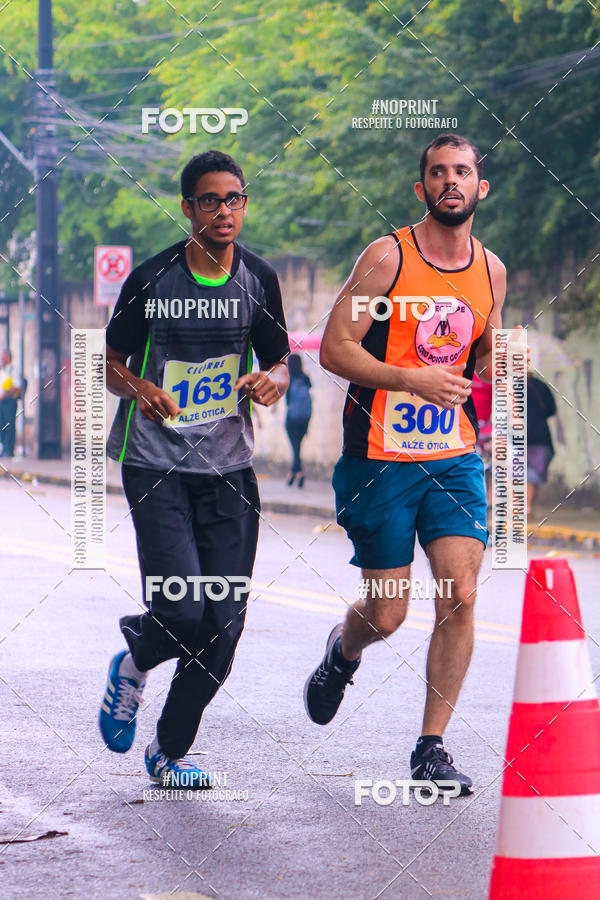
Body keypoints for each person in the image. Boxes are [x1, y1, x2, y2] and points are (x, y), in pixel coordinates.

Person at [304, 134, 507, 794]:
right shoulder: (387, 257)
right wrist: (410, 379)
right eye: (438, 172)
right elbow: (336, 348)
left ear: (481, 189)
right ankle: (344, 650)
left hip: (452, 458)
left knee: (461, 593)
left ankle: (430, 748)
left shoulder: (491, 271)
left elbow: (481, 356)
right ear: (422, 189)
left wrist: (495, 371)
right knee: (388, 613)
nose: (451, 181)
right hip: (379, 460)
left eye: (463, 171)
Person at [99, 150, 290, 786]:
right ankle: (134, 661)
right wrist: (141, 389)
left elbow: (280, 360)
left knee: (224, 627)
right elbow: (110, 364)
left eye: (235, 198)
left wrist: (271, 381)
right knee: (184, 610)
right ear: (187, 209)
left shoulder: (259, 279)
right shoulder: (152, 280)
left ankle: (168, 753)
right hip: (154, 464)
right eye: (210, 200)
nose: (224, 211)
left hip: (228, 469)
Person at [526, 372, 556, 515]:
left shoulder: (510, 387)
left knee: (516, 475)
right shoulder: (541, 386)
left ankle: (522, 508)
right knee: (533, 474)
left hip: (518, 436)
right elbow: (551, 410)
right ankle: (527, 507)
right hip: (540, 436)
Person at [284, 353, 312, 487]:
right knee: (297, 447)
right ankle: (292, 473)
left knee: (295, 447)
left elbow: (287, 401)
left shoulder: (289, 378)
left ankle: (299, 473)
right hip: (304, 419)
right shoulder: (306, 379)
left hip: (291, 419)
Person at [0, 349, 22, 458]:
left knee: (9, 425)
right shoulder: (2, 371)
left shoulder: (13, 371)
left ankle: (9, 450)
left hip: (9, 401)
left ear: (8, 358)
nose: (1, 359)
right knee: (1, 425)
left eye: (3, 357)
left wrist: (6, 393)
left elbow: (17, 387)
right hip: (1, 402)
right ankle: (3, 448)